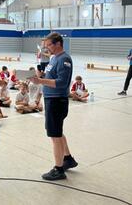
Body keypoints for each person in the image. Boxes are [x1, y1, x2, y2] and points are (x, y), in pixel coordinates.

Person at [31, 32, 77, 181]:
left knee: (55, 135)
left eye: (49, 45)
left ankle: (58, 169)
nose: (47, 48)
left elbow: (62, 82)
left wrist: (40, 81)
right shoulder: (54, 58)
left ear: (58, 44)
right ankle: (67, 159)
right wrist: (40, 77)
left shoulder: (64, 59)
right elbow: (51, 77)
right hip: (51, 99)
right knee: (58, 132)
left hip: (57, 101)